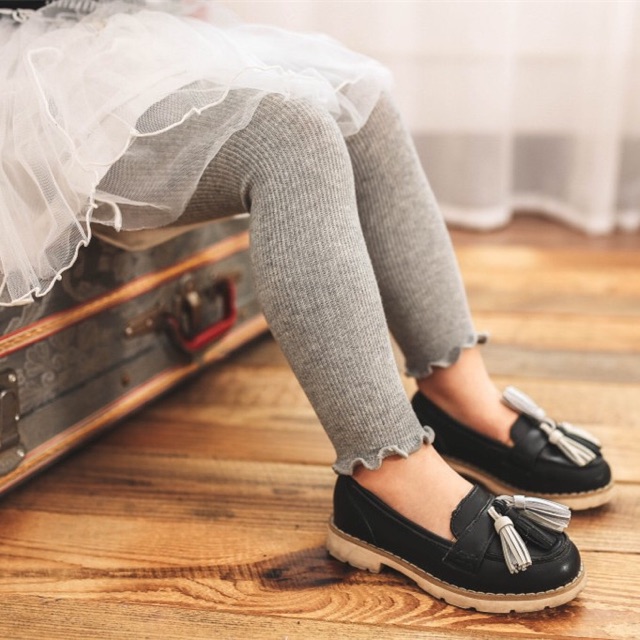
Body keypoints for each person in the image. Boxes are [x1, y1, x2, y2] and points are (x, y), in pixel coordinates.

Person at [0, 0, 612, 613]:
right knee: (288, 137)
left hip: (123, 41)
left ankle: (458, 397)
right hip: (34, 70)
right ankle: (387, 472)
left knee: (361, 103)